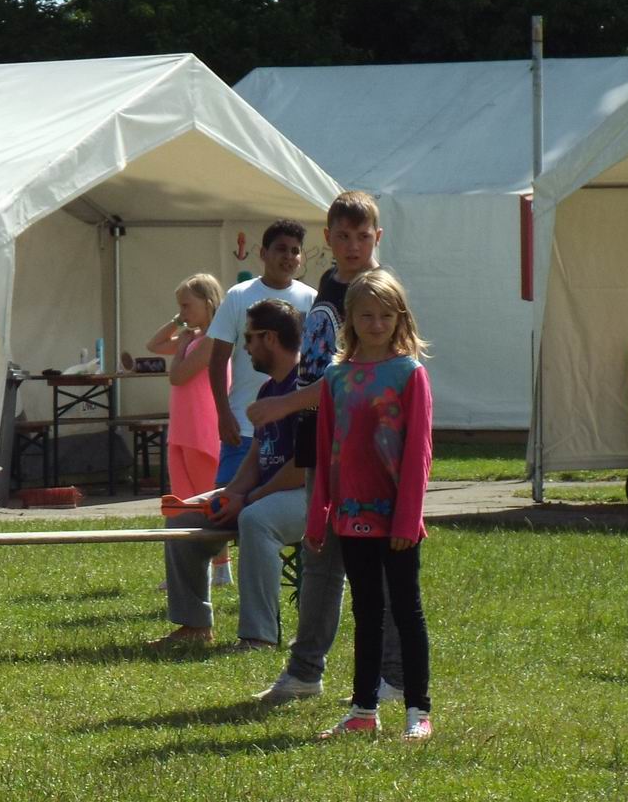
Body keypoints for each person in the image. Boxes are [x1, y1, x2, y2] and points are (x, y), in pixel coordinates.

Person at [249, 190, 404, 703]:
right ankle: (305, 672)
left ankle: (393, 677)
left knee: (377, 566)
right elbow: (321, 359)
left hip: (365, 451)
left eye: (362, 236)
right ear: (328, 238)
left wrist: (284, 404)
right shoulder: (330, 285)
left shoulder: (378, 293)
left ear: (378, 237)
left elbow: (360, 376)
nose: (353, 245)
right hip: (321, 440)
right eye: (343, 236)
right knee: (319, 558)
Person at [308, 270, 435, 742]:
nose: (376, 324)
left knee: (406, 610)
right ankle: (363, 710)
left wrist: (407, 519)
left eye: (385, 315)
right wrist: (319, 516)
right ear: (350, 320)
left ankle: (418, 711)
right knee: (366, 611)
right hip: (351, 516)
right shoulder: (336, 377)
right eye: (366, 315)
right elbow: (326, 450)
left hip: (396, 519)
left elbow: (419, 452)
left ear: (399, 318)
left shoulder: (410, 374)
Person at [152, 299, 308, 651]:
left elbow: (303, 467)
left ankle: (259, 636)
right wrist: (230, 493)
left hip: (308, 495)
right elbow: (256, 457)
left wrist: (248, 499)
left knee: (255, 519)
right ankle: (194, 625)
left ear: (270, 338)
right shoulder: (268, 389)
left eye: (249, 338)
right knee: (183, 518)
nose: (245, 347)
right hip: (265, 494)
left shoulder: (305, 389)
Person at [206, 220, 316, 487]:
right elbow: (218, 360)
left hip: (292, 425)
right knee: (228, 499)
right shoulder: (238, 296)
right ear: (263, 253)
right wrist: (223, 415)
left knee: (276, 499)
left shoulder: (312, 299)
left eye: (295, 251)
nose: (288, 256)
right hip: (243, 426)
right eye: (281, 249)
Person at [142, 272, 229, 585]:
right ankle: (187, 567)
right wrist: (178, 323)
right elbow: (153, 344)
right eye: (179, 306)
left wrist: (181, 347)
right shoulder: (191, 338)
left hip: (203, 430)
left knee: (208, 502)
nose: (182, 312)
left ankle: (221, 566)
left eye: (187, 306)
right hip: (182, 429)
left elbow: (177, 375)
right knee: (181, 501)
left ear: (208, 304)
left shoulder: (214, 339)